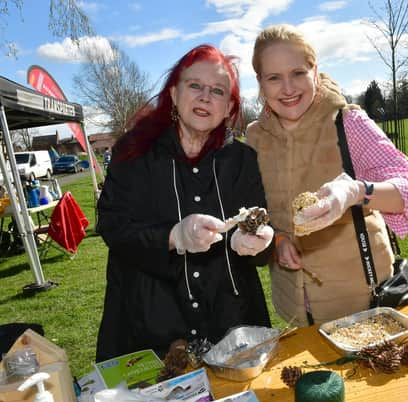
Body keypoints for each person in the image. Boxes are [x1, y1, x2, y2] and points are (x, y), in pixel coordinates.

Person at [95, 45, 274, 361]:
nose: (206, 97)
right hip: (152, 332)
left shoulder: (242, 160)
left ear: (229, 106)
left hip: (232, 329)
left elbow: (258, 225)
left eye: (218, 91)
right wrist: (173, 236)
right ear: (174, 94)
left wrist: (259, 240)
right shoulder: (134, 154)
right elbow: (113, 227)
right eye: (195, 86)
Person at [246, 25, 408, 326]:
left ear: (315, 71)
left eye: (298, 73)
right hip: (295, 311)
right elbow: (258, 213)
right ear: (260, 83)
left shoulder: (346, 122)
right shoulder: (255, 138)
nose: (288, 88)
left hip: (364, 306)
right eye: (274, 78)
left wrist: (355, 192)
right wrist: (278, 240)